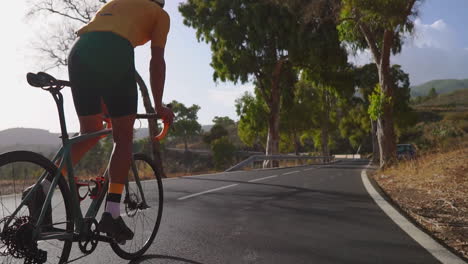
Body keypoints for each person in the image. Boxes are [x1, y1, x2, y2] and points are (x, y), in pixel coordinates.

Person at [23, 0, 174, 244]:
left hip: (80, 51)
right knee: (123, 137)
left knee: (91, 131)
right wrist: (158, 105)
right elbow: (157, 61)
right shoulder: (159, 14)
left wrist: (106, 105)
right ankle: (112, 213)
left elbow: (101, 39)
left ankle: (40, 188)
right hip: (114, 52)